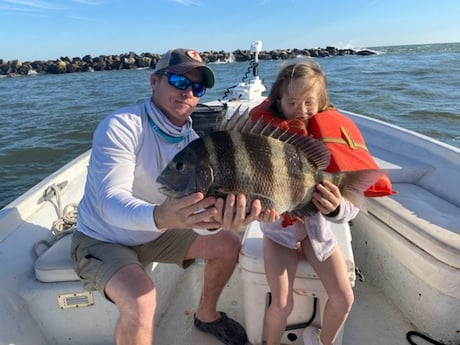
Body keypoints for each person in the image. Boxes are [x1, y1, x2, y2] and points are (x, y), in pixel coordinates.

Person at [71, 48, 277, 345]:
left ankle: (206, 314)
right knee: (141, 301)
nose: (188, 93)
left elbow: (199, 217)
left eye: (197, 87)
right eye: (179, 81)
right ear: (154, 81)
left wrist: (215, 221)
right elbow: (109, 202)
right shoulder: (123, 126)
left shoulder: (193, 142)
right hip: (103, 237)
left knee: (228, 244)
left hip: (160, 229)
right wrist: (160, 216)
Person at [249, 60, 370, 345]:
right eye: (292, 102)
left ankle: (322, 341)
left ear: (322, 102)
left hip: (317, 234)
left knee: (343, 298)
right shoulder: (263, 138)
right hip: (278, 234)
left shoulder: (329, 140)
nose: (302, 110)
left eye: (309, 102)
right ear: (278, 99)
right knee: (281, 304)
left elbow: (349, 207)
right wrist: (259, 211)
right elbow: (253, 189)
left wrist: (338, 208)